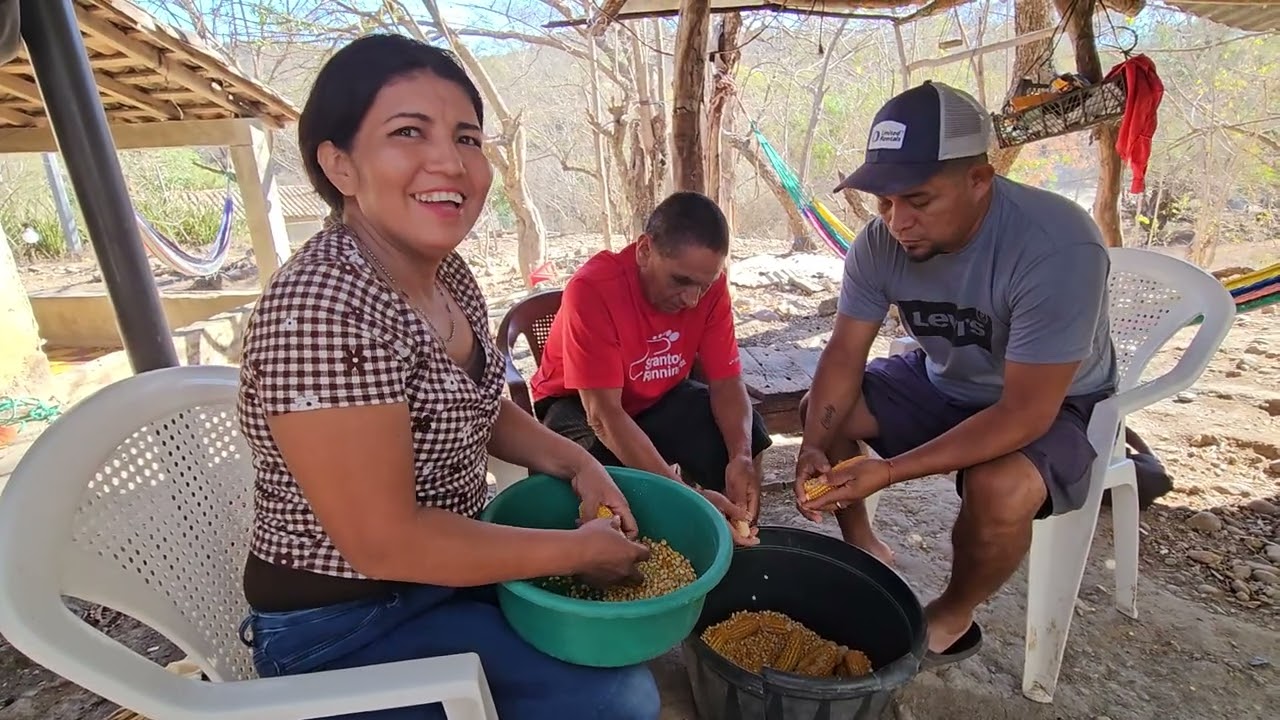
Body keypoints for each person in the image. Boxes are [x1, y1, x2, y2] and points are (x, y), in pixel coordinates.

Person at [234, 34, 661, 720]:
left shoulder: (445, 275)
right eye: (409, 132)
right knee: (619, 698)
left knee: (615, 636)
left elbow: (476, 406)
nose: (451, 162)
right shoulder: (323, 310)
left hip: (440, 577)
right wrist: (575, 551)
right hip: (344, 627)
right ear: (340, 164)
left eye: (467, 138)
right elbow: (384, 541)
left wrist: (579, 462)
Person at [792, 81, 1116, 668]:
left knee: (1000, 487)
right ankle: (862, 543)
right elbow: (843, 356)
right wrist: (815, 443)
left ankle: (951, 616)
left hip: (1053, 401)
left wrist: (888, 470)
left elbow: (1024, 412)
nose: (898, 222)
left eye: (918, 199)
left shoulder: (1056, 245)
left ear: (979, 180)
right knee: (825, 406)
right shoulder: (878, 242)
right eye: (884, 202)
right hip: (942, 381)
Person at [529, 191, 772, 546]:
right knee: (611, 483)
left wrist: (741, 455)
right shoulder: (593, 289)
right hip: (577, 405)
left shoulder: (711, 286)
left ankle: (734, 534)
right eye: (680, 281)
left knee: (746, 434)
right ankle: (654, 557)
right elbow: (603, 416)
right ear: (644, 250)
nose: (692, 300)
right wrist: (684, 496)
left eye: (703, 286)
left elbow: (727, 381)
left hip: (657, 395)